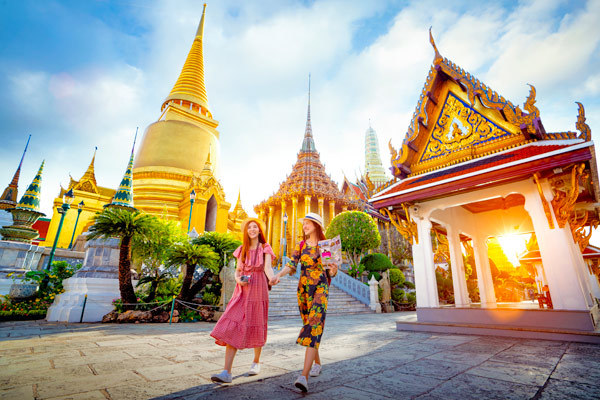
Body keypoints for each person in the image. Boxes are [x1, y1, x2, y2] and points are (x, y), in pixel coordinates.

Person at [271, 212, 338, 393]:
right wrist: (278, 275)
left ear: (316, 226)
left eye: (309, 223)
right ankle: (317, 363)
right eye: (304, 223)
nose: (305, 226)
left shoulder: (325, 246)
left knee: (314, 325)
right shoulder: (300, 245)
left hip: (320, 289)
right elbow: (291, 265)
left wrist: (333, 269)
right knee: (309, 325)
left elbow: (331, 273)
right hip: (303, 290)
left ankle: (304, 376)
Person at [209, 218, 277, 383]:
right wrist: (238, 280)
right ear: (246, 231)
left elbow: (267, 267)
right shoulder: (242, 249)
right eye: (249, 227)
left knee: (257, 322)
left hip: (259, 288)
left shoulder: (265, 248)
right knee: (232, 323)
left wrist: (273, 278)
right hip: (242, 290)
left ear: (260, 230)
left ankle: (256, 361)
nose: (252, 229)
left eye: (255, 227)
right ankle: (226, 372)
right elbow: (237, 271)